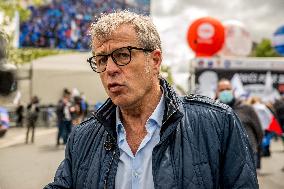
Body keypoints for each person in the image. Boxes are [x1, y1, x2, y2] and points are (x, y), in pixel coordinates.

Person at [45, 11, 259, 189]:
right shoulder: (83, 137)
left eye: (122, 55)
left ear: (155, 60)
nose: (110, 69)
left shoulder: (216, 124)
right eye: (101, 60)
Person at [216, 79, 263, 171]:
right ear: (217, 92)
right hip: (224, 156)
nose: (225, 92)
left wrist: (251, 146)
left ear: (233, 90)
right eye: (222, 90)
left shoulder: (246, 108)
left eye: (227, 89)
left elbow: (259, 132)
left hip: (247, 155)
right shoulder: (213, 110)